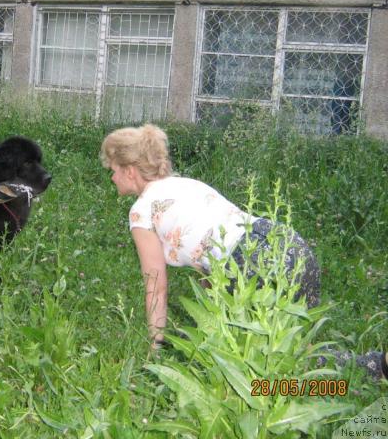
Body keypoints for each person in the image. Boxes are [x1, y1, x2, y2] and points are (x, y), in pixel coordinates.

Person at [100, 124, 387, 380]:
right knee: (292, 352)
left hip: (252, 263)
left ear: (129, 170)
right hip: (287, 245)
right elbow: (212, 253)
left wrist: (155, 348)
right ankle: (376, 367)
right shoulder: (187, 184)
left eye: (112, 170)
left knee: (255, 363)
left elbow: (156, 285)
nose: (111, 178)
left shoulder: (141, 211)